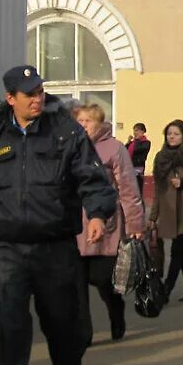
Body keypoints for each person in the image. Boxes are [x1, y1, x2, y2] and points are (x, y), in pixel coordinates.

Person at [0, 65, 116, 365]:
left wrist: (97, 214)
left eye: (40, 92)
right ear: (10, 98)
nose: (37, 99)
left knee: (62, 323)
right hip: (4, 248)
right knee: (10, 324)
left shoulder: (65, 132)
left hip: (54, 246)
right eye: (29, 94)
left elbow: (94, 179)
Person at [74, 104, 145, 345]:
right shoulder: (71, 147)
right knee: (77, 284)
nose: (83, 125)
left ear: (100, 123)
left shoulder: (114, 149)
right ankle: (83, 333)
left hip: (107, 224)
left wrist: (135, 224)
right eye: (80, 120)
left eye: (88, 121)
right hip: (74, 226)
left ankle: (116, 311)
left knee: (103, 279)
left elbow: (128, 189)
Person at [149, 119, 183, 302]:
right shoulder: (161, 156)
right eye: (169, 133)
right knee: (182, 251)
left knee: (177, 250)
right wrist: (153, 216)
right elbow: (157, 188)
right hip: (167, 209)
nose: (171, 137)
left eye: (176, 134)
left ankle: (165, 291)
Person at [125, 123, 151, 194]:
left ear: (142, 131)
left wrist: (136, 141)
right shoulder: (132, 143)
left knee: (137, 191)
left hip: (138, 169)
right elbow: (124, 151)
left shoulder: (146, 143)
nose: (135, 133)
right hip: (129, 168)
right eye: (134, 130)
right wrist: (128, 142)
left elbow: (137, 150)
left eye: (137, 130)